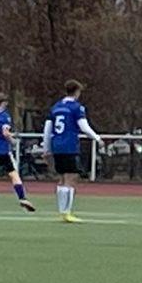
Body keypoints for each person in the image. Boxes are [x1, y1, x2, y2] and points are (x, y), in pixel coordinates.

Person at [45, 82, 104, 223]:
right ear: (77, 92)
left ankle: (62, 211)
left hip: (56, 145)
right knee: (71, 177)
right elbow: (84, 126)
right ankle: (67, 212)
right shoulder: (77, 108)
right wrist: (97, 138)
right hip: (69, 145)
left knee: (62, 178)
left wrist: (46, 148)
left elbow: (47, 129)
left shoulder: (56, 107)